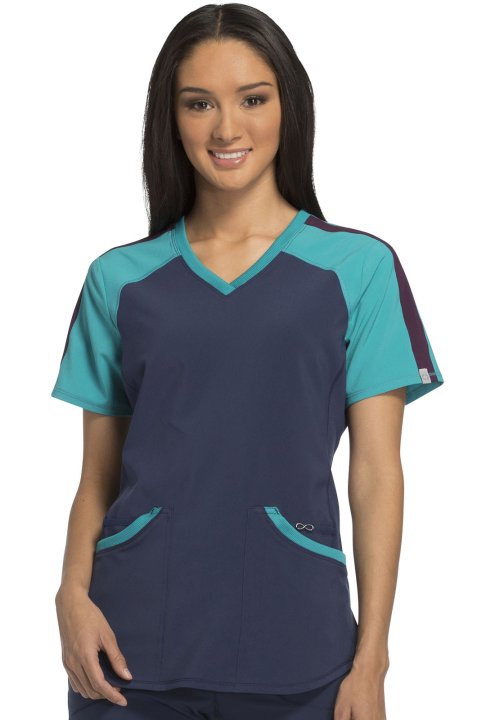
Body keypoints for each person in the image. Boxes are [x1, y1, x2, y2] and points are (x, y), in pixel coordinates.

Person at [51, 4, 445, 719]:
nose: (226, 128)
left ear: (288, 108)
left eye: (252, 100)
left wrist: (372, 660)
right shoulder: (119, 279)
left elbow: (376, 473)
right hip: (126, 655)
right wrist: (71, 597)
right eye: (199, 103)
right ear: (170, 120)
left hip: (299, 646)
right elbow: (97, 478)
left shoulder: (358, 269)